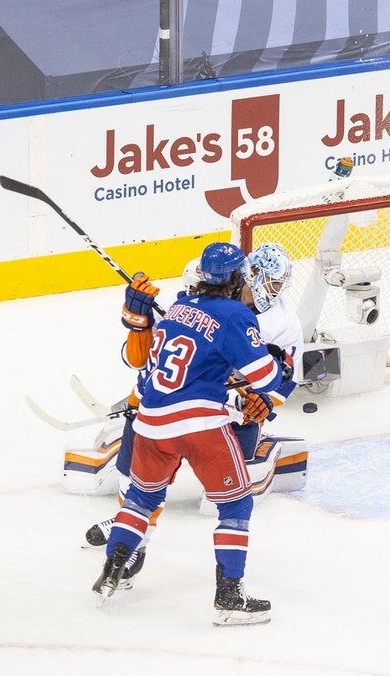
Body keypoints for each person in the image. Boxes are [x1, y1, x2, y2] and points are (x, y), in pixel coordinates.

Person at [92, 242, 290, 626]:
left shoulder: (178, 307)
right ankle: (230, 597)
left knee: (140, 501)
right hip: (199, 423)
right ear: (238, 278)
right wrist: (272, 359)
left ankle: (112, 570)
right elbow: (265, 377)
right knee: (235, 506)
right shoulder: (234, 313)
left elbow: (147, 363)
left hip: (150, 422)